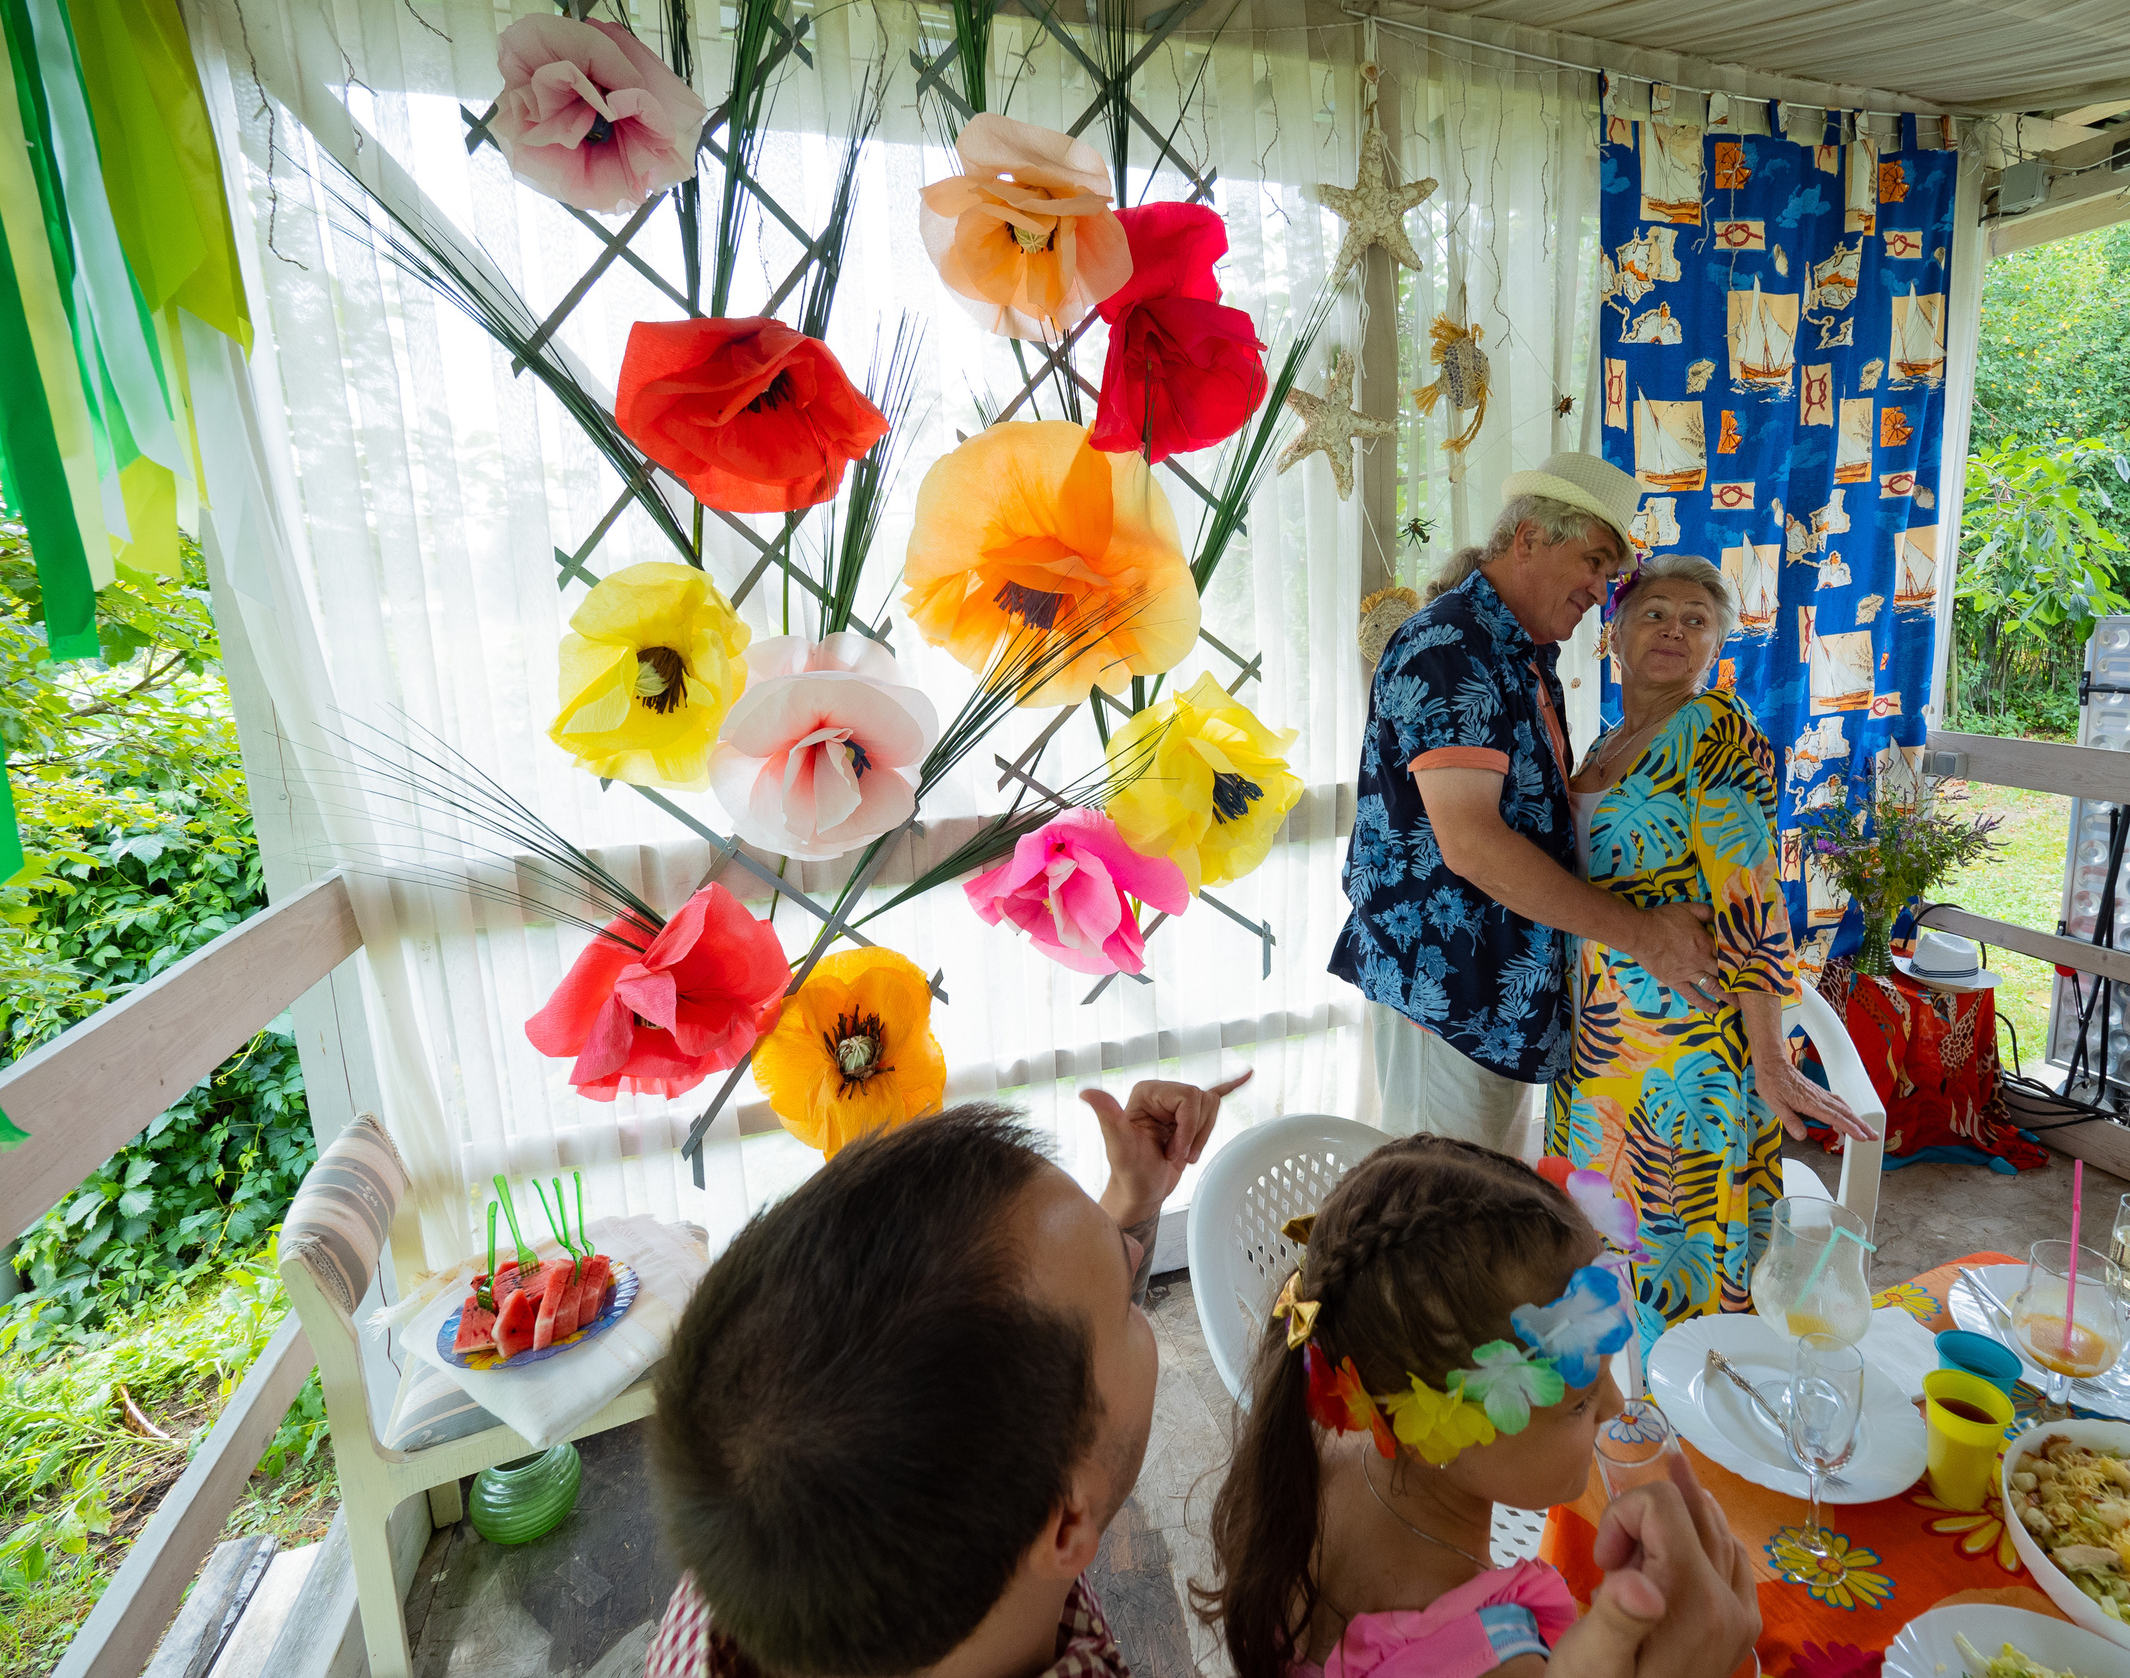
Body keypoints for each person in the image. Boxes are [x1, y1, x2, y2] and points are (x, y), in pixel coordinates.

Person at [644, 1080, 1741, 1678]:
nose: (1136, 1267)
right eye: (1125, 1300)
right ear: (1066, 1521)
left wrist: (1123, 1206)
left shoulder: (783, 1518)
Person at [1194, 1134, 1764, 1678]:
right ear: (1436, 1430)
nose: (1615, 1405)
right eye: (1578, 1403)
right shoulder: (1498, 1663)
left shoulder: (1316, 1462)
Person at [1331, 452, 1728, 1157]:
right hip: (1447, 992)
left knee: (1487, 1204)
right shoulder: (1453, 647)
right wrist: (1645, 936)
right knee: (1443, 1207)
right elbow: (1474, 845)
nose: (1602, 590)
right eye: (1595, 563)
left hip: (1497, 999)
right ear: (1529, 539)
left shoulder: (1518, 653)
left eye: (1611, 574)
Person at [1546, 556, 1873, 1350]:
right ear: (1614, 634)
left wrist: (1772, 1057)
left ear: (1717, 645)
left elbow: (1753, 900)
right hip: (1599, 1045)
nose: (1675, 630)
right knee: (1600, 1242)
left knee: (1672, 1250)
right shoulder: (1606, 742)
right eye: (1656, 612)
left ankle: (1678, 1411)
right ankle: (1615, 1402)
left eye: (1697, 620)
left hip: (1683, 1048)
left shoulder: (1715, 734)